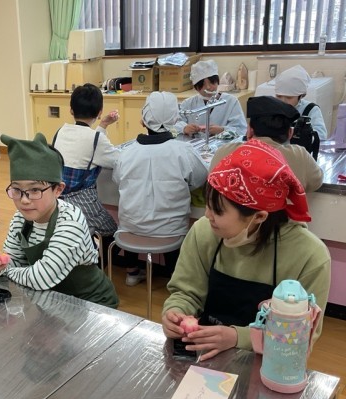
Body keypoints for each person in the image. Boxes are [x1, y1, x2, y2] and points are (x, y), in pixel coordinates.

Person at [161, 139, 330, 361]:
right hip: (204, 353)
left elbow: (300, 335)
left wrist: (238, 337)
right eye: (208, 205)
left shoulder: (310, 256)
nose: (208, 216)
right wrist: (176, 311)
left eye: (218, 210)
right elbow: (186, 291)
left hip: (269, 363)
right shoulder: (204, 232)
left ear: (259, 216)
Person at [0, 133, 119, 309]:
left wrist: (7, 271)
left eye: (35, 190)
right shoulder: (20, 218)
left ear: (58, 189)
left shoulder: (71, 223)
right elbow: (15, 260)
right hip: (51, 300)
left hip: (91, 304)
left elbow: (41, 278)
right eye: (17, 190)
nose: (24, 200)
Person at [112, 91, 208, 286]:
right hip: (171, 231)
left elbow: (117, 179)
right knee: (171, 232)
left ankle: (132, 272)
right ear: (175, 120)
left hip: (130, 228)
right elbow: (200, 178)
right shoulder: (183, 151)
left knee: (132, 219)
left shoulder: (126, 153)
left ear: (143, 121)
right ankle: (174, 279)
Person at [212, 95, 324, 193]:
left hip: (231, 212)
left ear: (249, 131)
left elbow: (213, 182)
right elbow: (316, 182)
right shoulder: (299, 156)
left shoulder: (225, 152)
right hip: (279, 211)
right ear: (290, 133)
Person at [50, 83, 119, 238]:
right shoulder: (96, 138)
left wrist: (103, 125)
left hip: (56, 202)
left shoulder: (60, 132)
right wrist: (102, 126)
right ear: (100, 112)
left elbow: (88, 146)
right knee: (112, 230)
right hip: (82, 203)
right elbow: (117, 160)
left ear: (71, 110)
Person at [175, 59, 247, 137]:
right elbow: (174, 125)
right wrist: (184, 128)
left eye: (212, 82)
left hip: (223, 143)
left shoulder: (231, 101)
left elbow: (241, 129)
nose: (208, 87)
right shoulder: (188, 103)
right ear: (196, 87)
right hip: (193, 143)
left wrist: (222, 130)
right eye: (203, 84)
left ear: (217, 81)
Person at [275, 64, 328, 140]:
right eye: (279, 96)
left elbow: (321, 136)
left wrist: (302, 133)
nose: (283, 101)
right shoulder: (272, 108)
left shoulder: (311, 110)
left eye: (289, 97)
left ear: (301, 96)